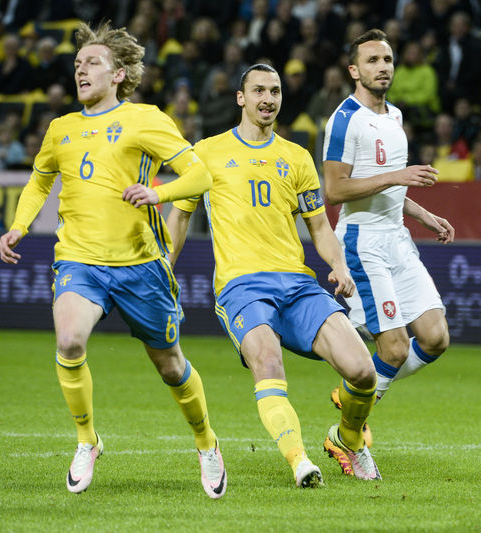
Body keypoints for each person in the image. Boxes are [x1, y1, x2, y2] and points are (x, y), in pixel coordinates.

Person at [0, 22, 225, 499]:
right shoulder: (61, 128)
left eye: (92, 63)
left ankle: (206, 442)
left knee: (170, 366)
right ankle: (87, 440)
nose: (81, 70)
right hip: (79, 259)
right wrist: (19, 224)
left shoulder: (146, 119)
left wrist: (157, 191)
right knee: (70, 340)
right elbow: (40, 181)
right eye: (78, 64)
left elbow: (200, 176)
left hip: (141, 265)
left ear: (119, 74)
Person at [123, 63, 381, 485]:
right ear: (240, 98)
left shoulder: (296, 157)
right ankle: (299, 461)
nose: (268, 99)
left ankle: (348, 439)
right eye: (259, 90)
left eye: (275, 91)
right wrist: (163, 267)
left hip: (297, 284)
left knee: (362, 371)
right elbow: (179, 216)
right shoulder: (206, 153)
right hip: (241, 286)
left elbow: (319, 227)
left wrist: (338, 266)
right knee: (267, 359)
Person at [322, 29, 454, 436]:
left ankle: (357, 394)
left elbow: (391, 188)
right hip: (362, 241)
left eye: (388, 60)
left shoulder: (394, 116)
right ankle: (345, 434)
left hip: (397, 236)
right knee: (393, 349)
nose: (383, 68)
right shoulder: (345, 121)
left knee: (435, 338)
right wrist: (398, 175)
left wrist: (423, 214)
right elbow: (335, 190)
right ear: (354, 70)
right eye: (373, 61)